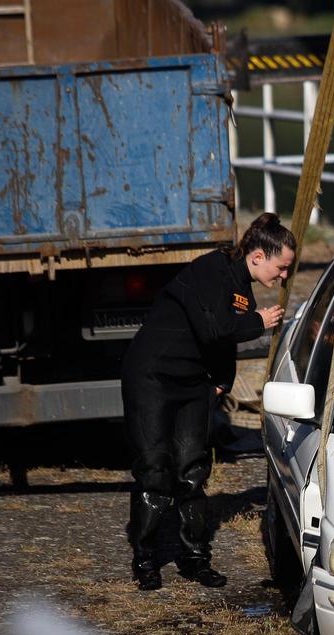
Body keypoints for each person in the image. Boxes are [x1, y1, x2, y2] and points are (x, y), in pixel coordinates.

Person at [121, 213, 294, 591]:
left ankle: (195, 558)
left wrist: (221, 382)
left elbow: (222, 346)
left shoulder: (243, 289)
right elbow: (213, 328)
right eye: (281, 267)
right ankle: (146, 559)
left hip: (193, 383)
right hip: (153, 377)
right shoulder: (210, 269)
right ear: (258, 256)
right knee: (155, 471)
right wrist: (257, 323)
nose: (282, 276)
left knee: (192, 471)